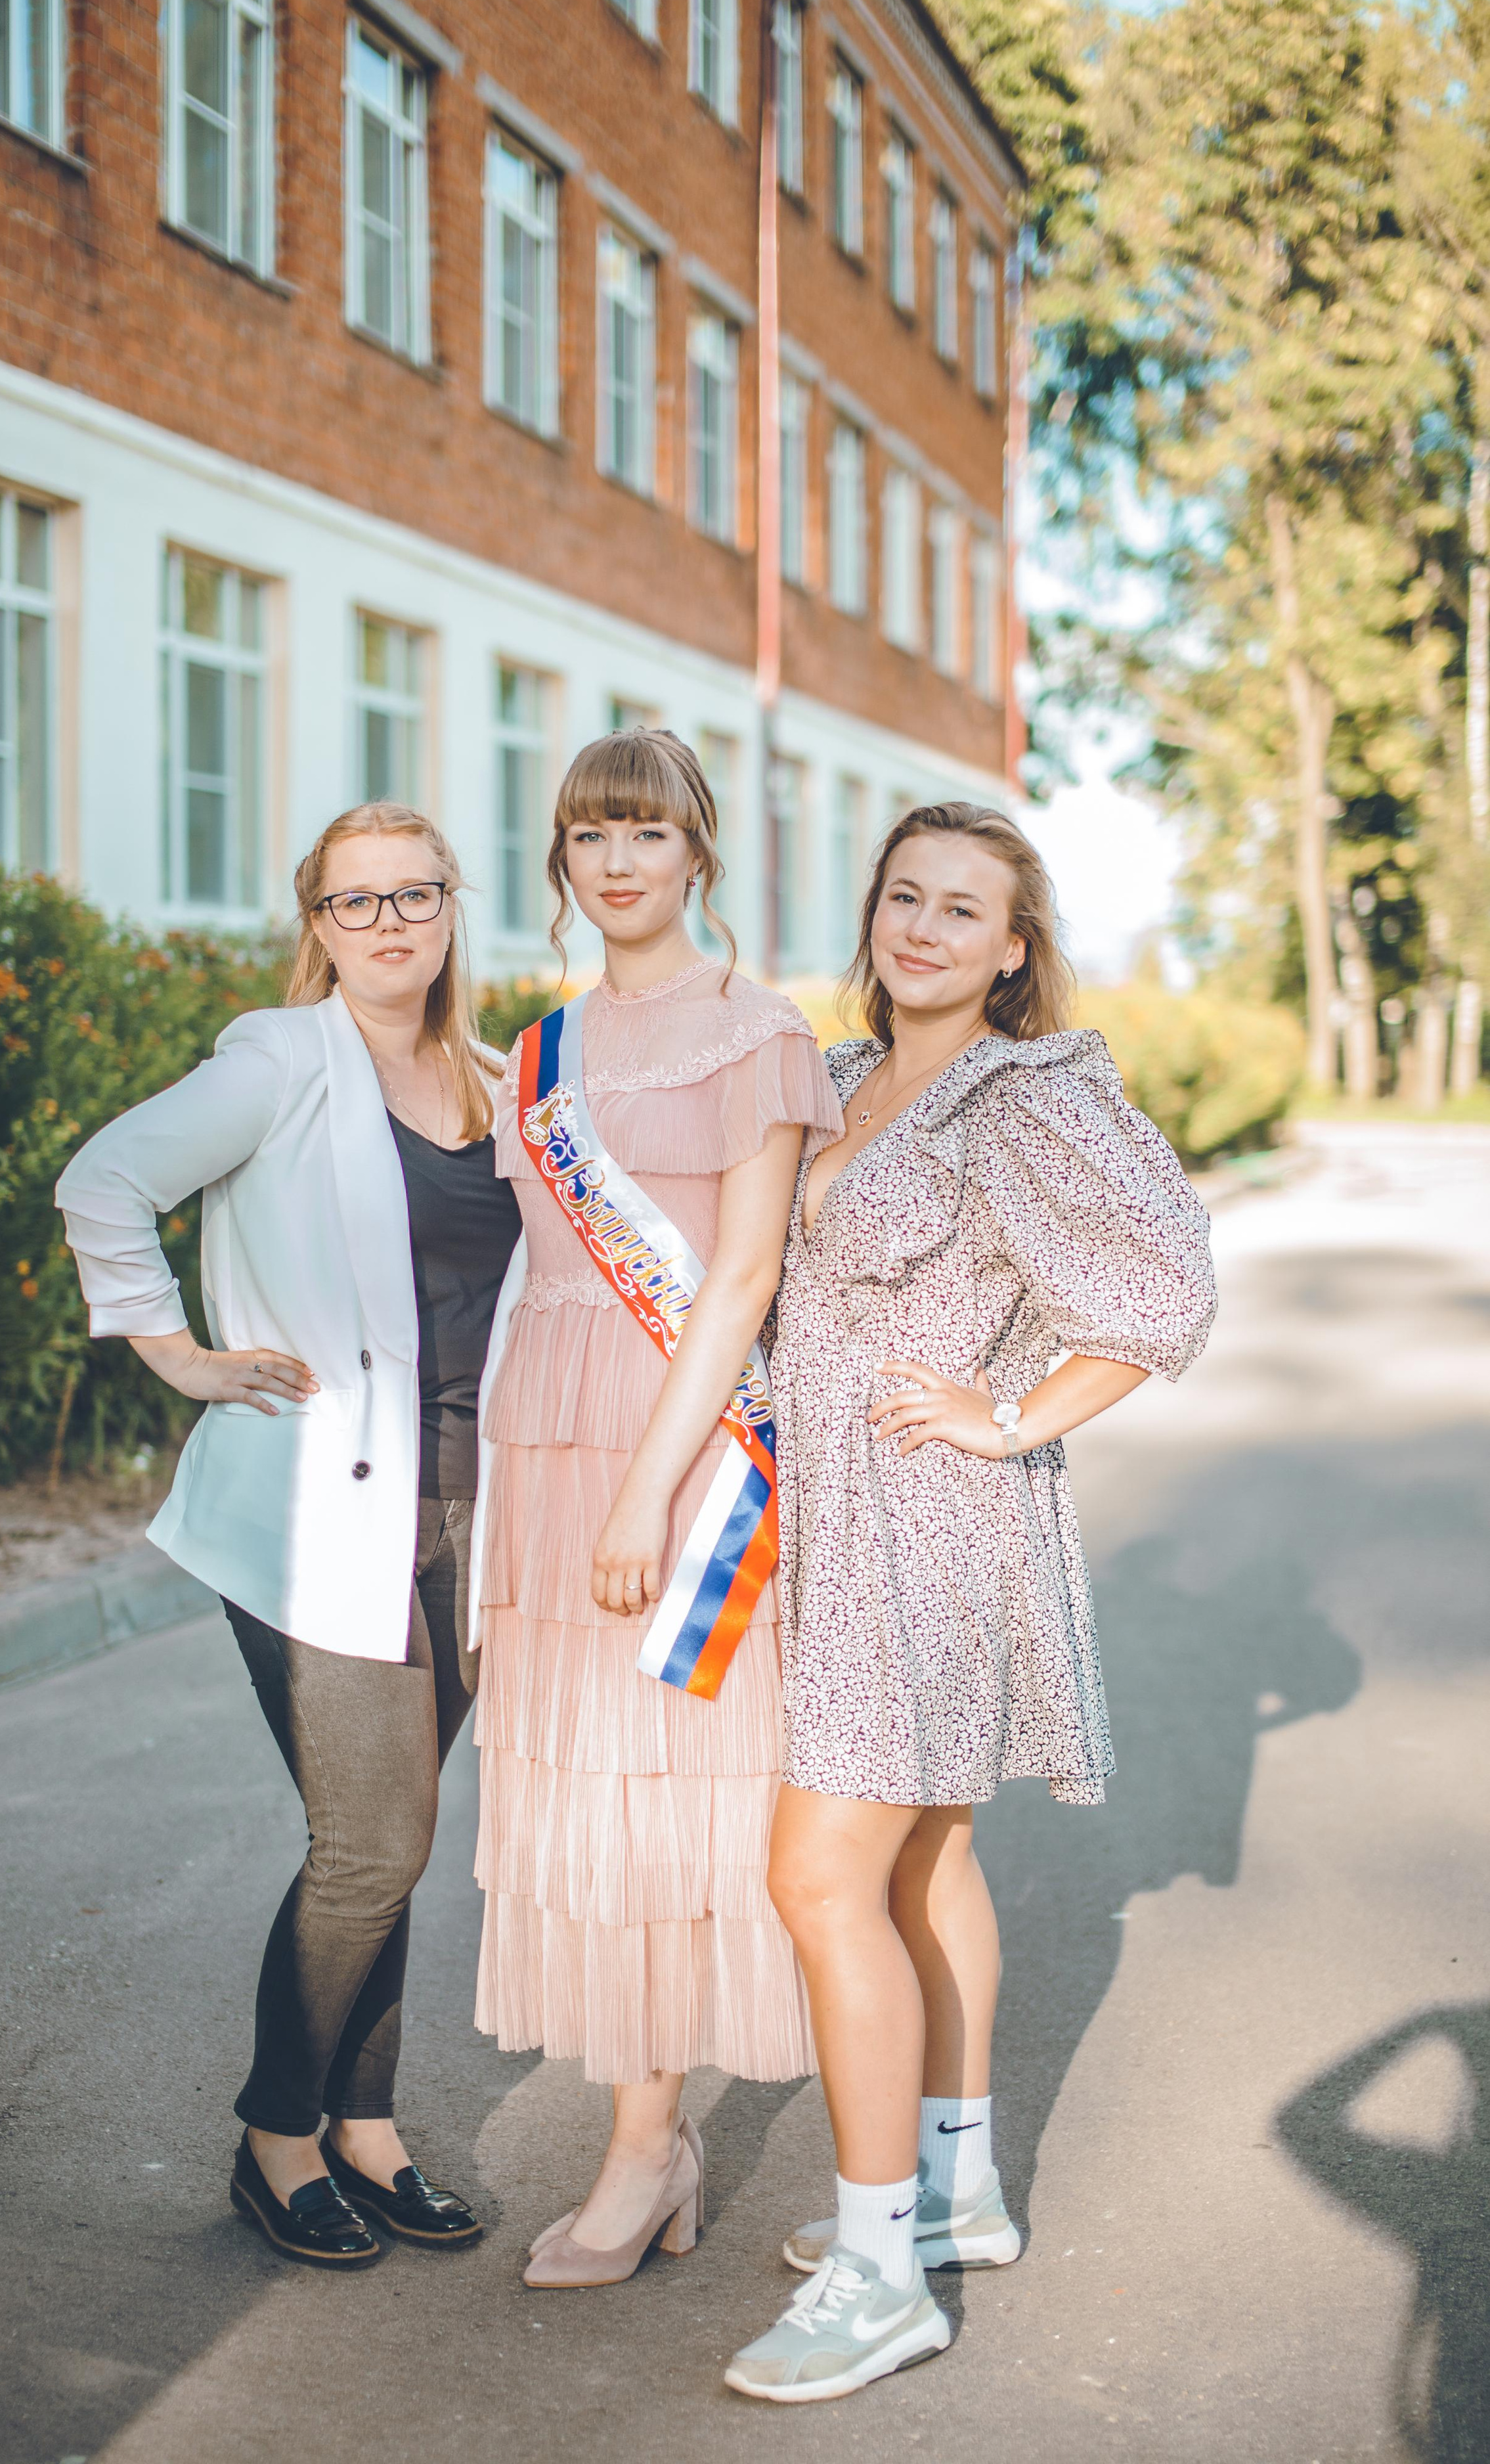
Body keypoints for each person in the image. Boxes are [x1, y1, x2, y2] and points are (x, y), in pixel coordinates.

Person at [726, 800, 1217, 2403]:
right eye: (902, 897)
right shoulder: (851, 1075)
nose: (922, 928)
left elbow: (1162, 1289)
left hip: (924, 1524)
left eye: (963, 912)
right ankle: (953, 2192)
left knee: (817, 1876)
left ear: (1013, 949)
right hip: (827, 1519)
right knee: (924, 1844)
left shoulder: (1025, 1094)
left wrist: (1008, 1418)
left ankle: (880, 2280)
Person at [55, 802, 524, 2268]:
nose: (386, 924)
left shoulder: (500, 1086)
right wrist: (178, 1353)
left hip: (469, 1514)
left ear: (454, 908)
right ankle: (275, 2136)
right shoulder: (280, 1059)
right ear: (315, 926)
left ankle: (364, 2130)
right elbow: (103, 1182)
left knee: (400, 1843)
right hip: (322, 1510)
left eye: (412, 895)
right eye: (352, 903)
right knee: (367, 1846)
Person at [473, 729, 845, 2287]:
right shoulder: (539, 1053)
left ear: (696, 851)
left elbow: (745, 1278)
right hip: (545, 1449)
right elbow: (528, 1284)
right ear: (559, 863)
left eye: (642, 833)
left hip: (684, 1463)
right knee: (580, 1793)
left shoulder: (759, 1035)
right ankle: (646, 2139)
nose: (614, 863)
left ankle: (645, 2148)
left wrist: (643, 1494)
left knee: (677, 1790)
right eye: (585, 837)